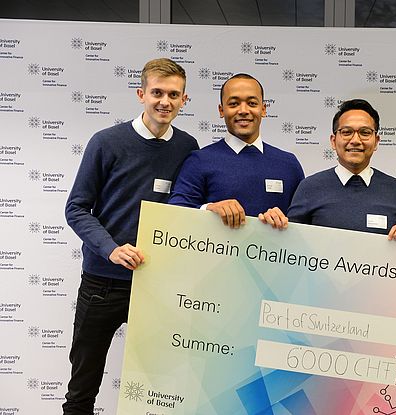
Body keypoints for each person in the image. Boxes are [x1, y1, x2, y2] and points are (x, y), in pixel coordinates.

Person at [63, 58, 198, 414]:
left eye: (174, 95)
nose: (165, 101)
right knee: (82, 389)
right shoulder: (106, 142)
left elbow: (189, 206)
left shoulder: (188, 147)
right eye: (157, 93)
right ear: (141, 94)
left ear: (184, 99)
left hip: (157, 285)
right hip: (102, 284)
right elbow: (76, 208)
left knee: (157, 391)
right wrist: (110, 249)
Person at [261, 98, 396, 241]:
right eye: (347, 132)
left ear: (376, 141)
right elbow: (290, 243)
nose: (355, 140)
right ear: (333, 141)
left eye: (365, 133)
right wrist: (272, 227)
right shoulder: (309, 187)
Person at [169, 73, 304, 227]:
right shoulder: (199, 160)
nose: (243, 110)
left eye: (252, 103)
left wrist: (284, 221)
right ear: (221, 110)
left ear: (263, 109)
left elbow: (305, 222)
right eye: (234, 104)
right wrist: (209, 208)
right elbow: (176, 212)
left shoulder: (288, 164)